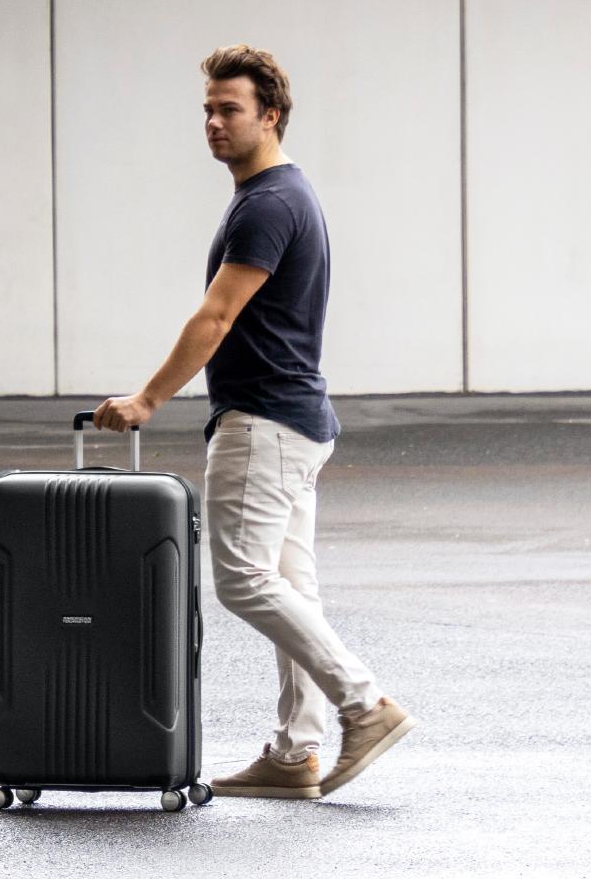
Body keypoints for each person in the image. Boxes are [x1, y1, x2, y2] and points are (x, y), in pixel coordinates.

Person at [92, 45, 416, 799]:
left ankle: (364, 705)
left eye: (228, 109)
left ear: (269, 115)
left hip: (265, 421)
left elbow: (216, 317)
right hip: (294, 420)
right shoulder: (277, 195)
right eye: (207, 109)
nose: (213, 122)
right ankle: (296, 753)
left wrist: (147, 399)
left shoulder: (268, 204)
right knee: (288, 585)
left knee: (242, 580)